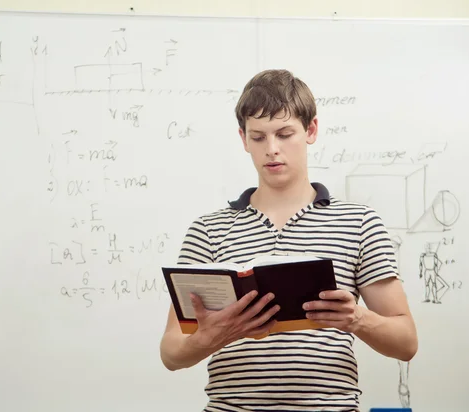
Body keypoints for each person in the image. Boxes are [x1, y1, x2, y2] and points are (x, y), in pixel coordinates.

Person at [159, 69, 418, 412]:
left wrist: (356, 318)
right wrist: (212, 336)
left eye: (284, 134)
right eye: (258, 137)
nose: (272, 150)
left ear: (310, 130)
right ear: (243, 138)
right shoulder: (208, 230)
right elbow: (171, 354)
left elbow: (406, 343)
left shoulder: (359, 223)